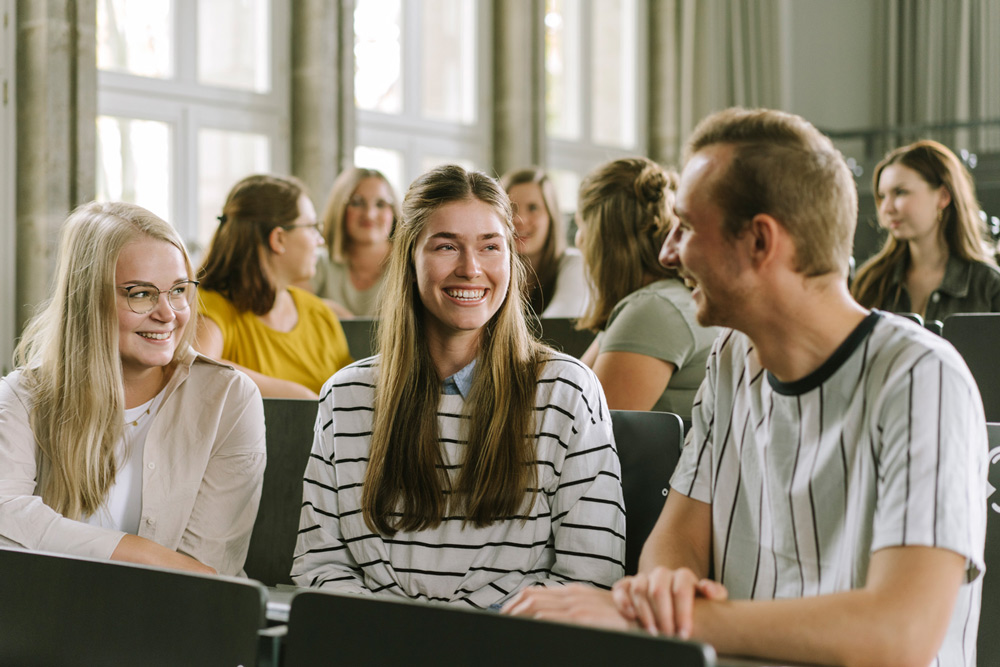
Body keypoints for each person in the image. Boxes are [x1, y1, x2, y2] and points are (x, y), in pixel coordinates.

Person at [504, 108, 986, 667]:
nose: (667, 253)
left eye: (686, 227)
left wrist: (662, 619)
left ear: (759, 241)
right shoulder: (730, 358)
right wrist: (664, 593)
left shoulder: (922, 377)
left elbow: (899, 634)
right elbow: (677, 541)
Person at [291, 165, 625, 607]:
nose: (471, 269)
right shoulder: (345, 397)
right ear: (409, 257)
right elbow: (320, 566)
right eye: (447, 246)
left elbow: (590, 578)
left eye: (490, 247)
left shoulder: (567, 391)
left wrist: (458, 642)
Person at [0, 202, 266, 576]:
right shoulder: (23, 395)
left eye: (177, 290)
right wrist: (140, 552)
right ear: (87, 298)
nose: (168, 313)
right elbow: (4, 519)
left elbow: (208, 574)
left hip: (179, 624)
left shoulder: (228, 398)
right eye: (141, 293)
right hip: (49, 620)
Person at [574, 157, 718, 420]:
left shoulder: (653, 310)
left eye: (580, 226)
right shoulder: (655, 301)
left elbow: (584, 433)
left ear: (599, 239)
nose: (578, 240)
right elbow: (569, 391)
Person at [196, 174, 352, 399]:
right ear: (278, 238)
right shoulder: (209, 304)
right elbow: (197, 368)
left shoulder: (320, 313)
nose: (320, 240)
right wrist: (298, 398)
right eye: (312, 227)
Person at [852, 139, 1000, 319]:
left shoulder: (988, 285)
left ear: (943, 196)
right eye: (882, 196)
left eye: (900, 192)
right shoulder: (870, 281)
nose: (886, 208)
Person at [309, 167, 400, 319]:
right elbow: (288, 307)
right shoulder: (318, 263)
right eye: (357, 203)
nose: (369, 214)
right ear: (340, 209)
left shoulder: (411, 266)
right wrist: (322, 307)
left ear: (393, 211)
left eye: (380, 204)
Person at [500, 167, 588, 318]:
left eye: (533, 208)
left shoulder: (575, 265)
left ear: (551, 217)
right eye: (510, 208)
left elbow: (556, 325)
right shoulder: (486, 270)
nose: (520, 219)